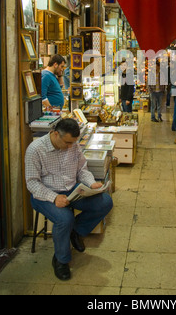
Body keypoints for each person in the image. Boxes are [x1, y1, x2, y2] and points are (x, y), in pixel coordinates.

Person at [25, 118, 113, 281]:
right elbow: (32, 183)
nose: (70, 147)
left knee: (105, 202)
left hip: (72, 190)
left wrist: (91, 183)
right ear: (56, 134)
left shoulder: (72, 145)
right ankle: (61, 259)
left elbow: (82, 169)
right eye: (67, 143)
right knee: (65, 218)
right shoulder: (35, 150)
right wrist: (54, 197)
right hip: (45, 195)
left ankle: (76, 231)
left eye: (73, 143)